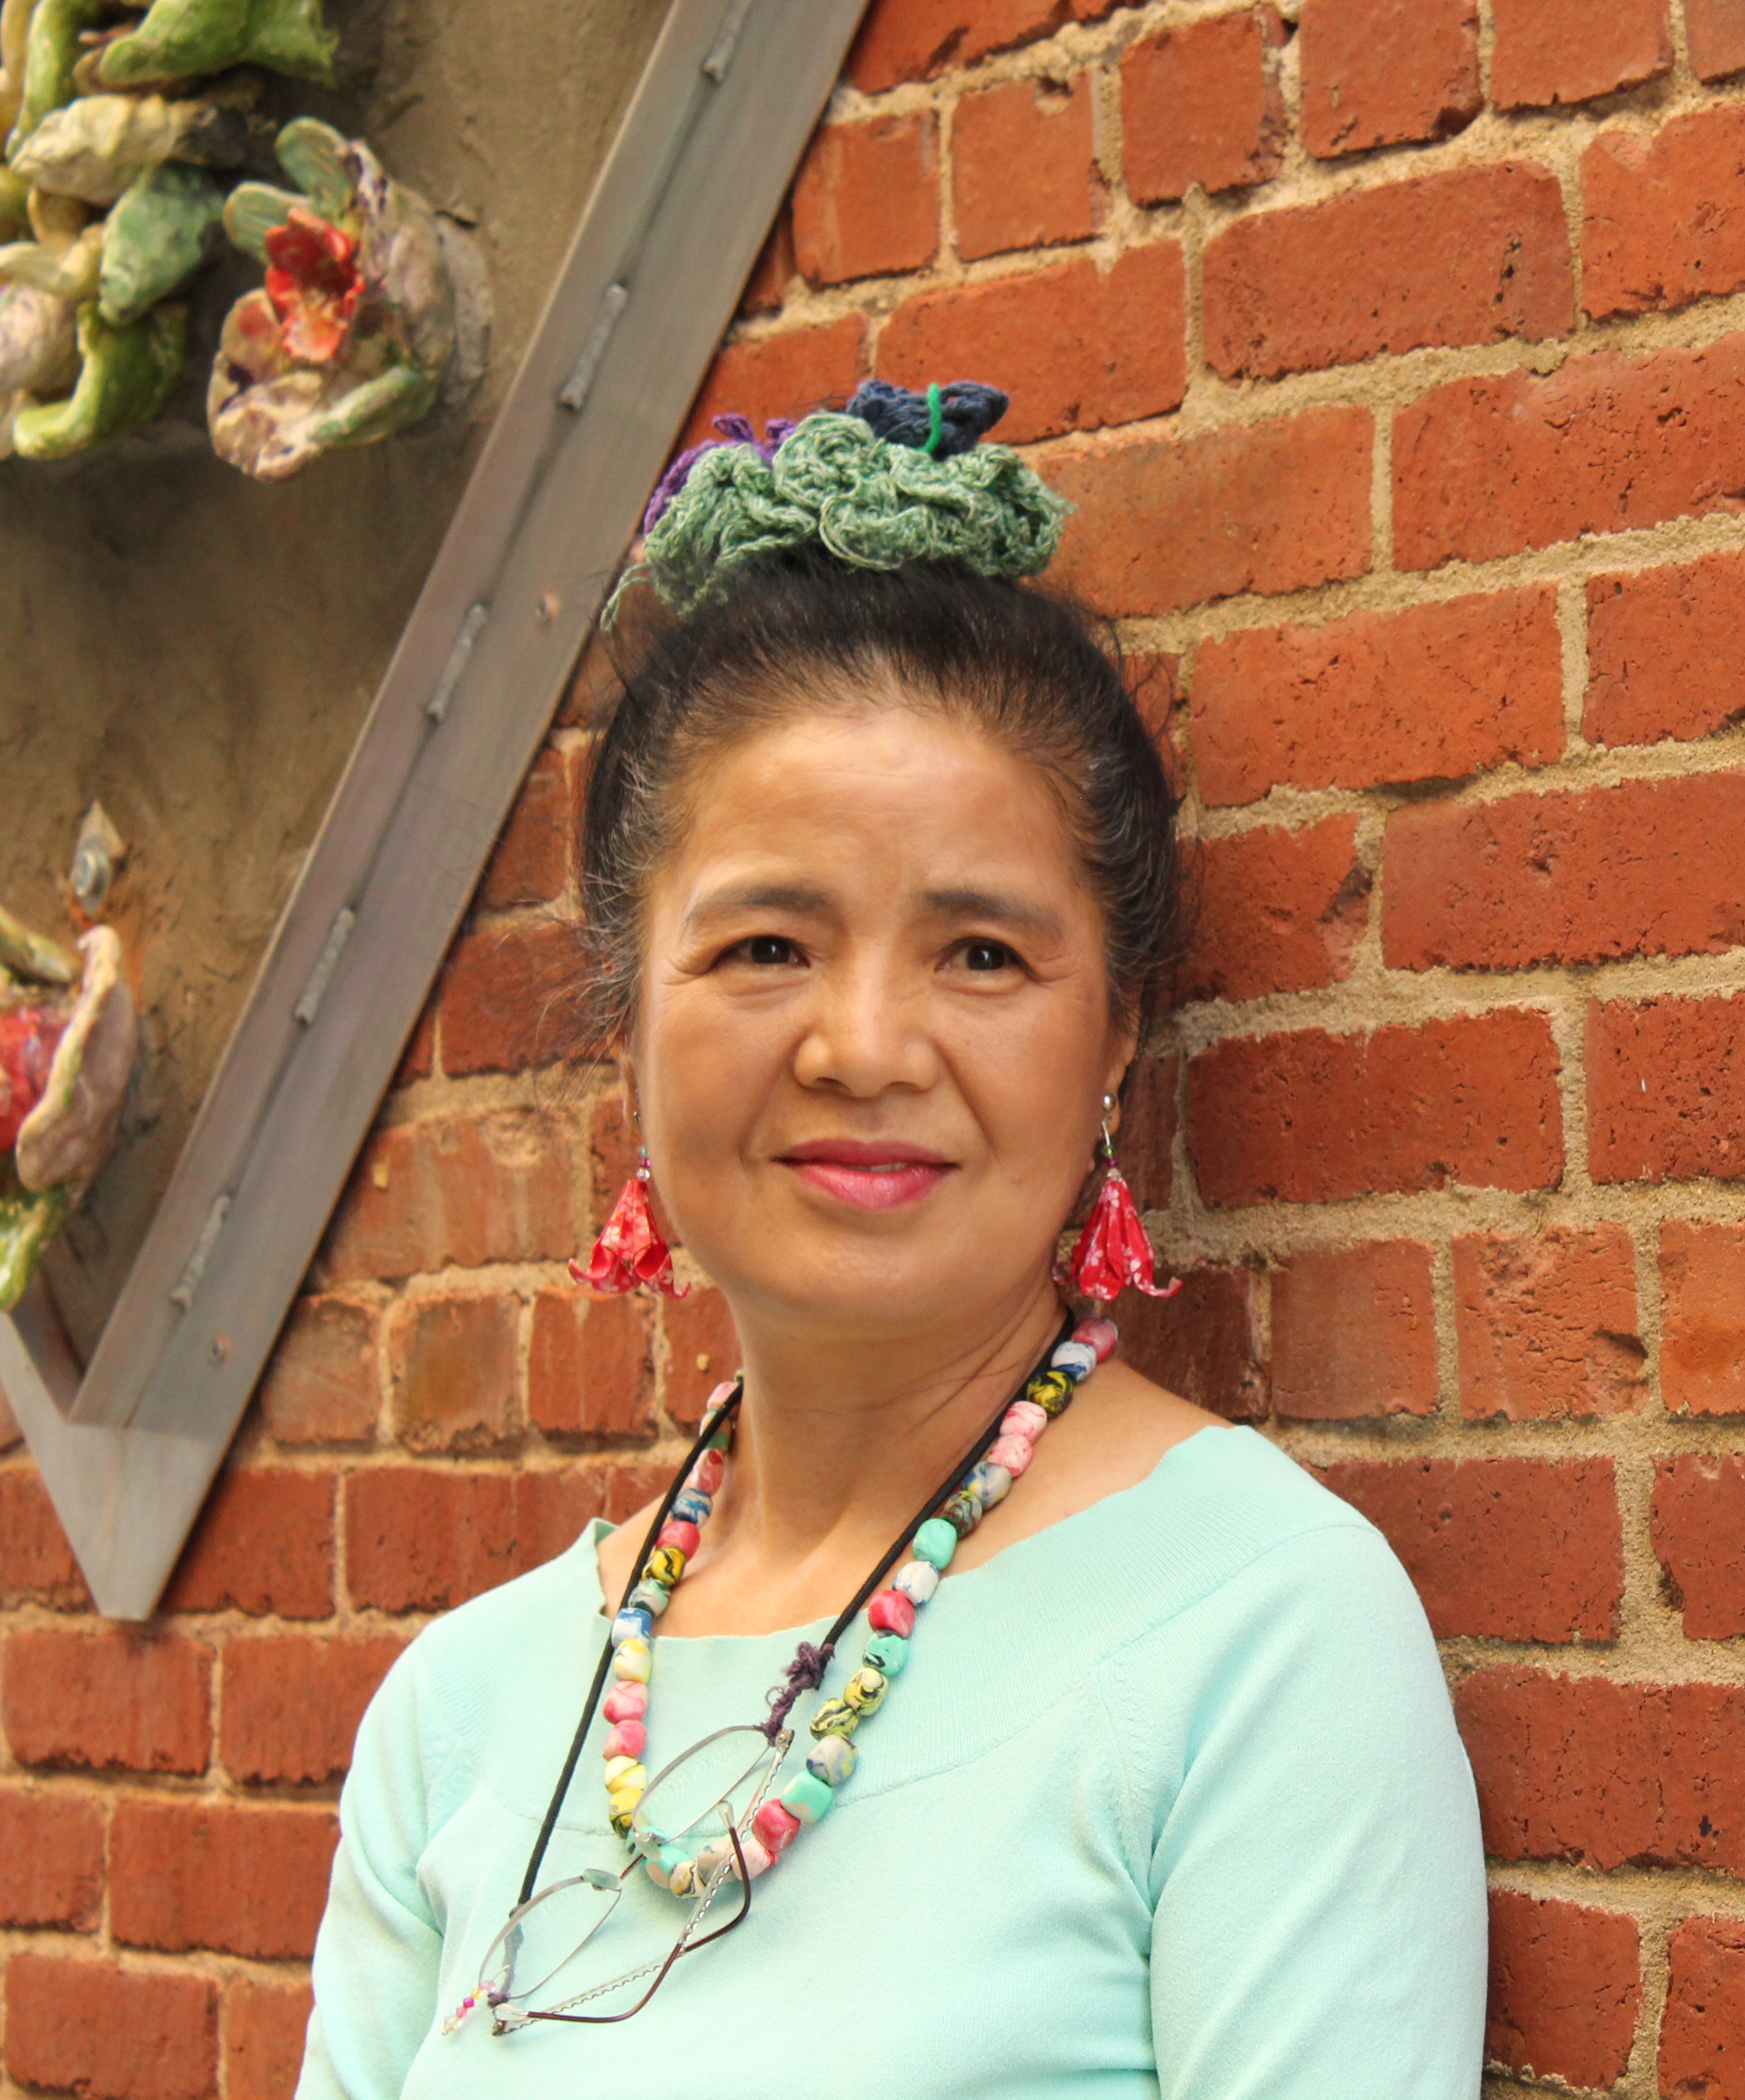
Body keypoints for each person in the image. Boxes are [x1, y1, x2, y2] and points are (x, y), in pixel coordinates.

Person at [294, 381, 1489, 2098]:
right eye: (766, 946)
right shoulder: (462, 1711)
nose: (863, 1045)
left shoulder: (1252, 1634)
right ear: (627, 1018)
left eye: (983, 956)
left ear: (1117, 1042)